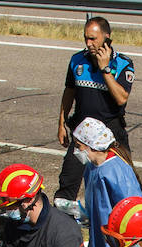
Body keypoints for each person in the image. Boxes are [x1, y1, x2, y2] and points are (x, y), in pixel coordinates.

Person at [54, 16, 134, 211]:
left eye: (93, 39)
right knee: (68, 178)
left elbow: (121, 98)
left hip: (111, 130)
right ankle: (61, 224)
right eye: (86, 39)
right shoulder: (77, 60)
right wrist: (61, 123)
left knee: (125, 181)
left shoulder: (123, 64)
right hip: (82, 132)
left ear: (107, 37)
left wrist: (105, 69)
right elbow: (69, 92)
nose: (89, 44)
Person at [73, 118, 142, 247]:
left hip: (118, 246)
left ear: (91, 146)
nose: (76, 152)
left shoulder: (116, 172)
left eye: (78, 147)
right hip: (101, 242)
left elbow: (134, 213)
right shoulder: (93, 168)